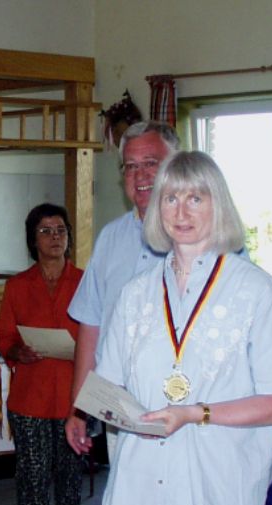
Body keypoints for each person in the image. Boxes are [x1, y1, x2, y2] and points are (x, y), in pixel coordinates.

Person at [70, 151, 272, 505]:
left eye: (195, 198)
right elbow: (107, 383)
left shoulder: (256, 291)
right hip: (137, 491)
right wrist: (101, 409)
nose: (181, 211)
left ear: (218, 205)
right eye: (170, 198)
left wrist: (194, 413)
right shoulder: (136, 294)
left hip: (214, 492)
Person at [65, 121, 179, 459]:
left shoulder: (203, 237)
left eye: (151, 163)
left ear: (176, 166)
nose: (140, 175)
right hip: (121, 407)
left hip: (182, 406)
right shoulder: (110, 238)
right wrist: (80, 407)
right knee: (123, 493)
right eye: (130, 166)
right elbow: (90, 327)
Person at [0, 203, 86, 505]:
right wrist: (18, 351)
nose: (54, 238)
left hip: (74, 399)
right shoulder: (18, 285)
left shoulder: (85, 282)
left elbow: (100, 334)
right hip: (30, 397)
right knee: (32, 478)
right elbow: (4, 337)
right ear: (33, 239)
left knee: (70, 476)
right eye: (46, 231)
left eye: (60, 230)